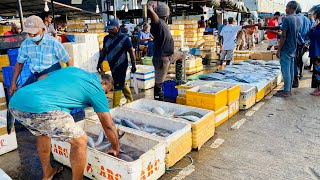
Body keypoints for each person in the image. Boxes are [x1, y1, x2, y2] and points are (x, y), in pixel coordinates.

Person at [9, 67, 119, 180]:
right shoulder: (96, 88)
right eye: (106, 91)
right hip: (43, 107)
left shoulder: (73, 70)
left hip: (16, 103)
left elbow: (42, 78)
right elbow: (108, 125)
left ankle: (48, 173)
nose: (104, 95)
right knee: (80, 140)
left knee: (43, 131)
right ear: (104, 82)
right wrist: (115, 147)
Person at [10, 15, 73, 95]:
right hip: (36, 74)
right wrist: (13, 83)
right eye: (29, 32)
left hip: (52, 74)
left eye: (34, 32)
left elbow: (68, 60)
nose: (31, 35)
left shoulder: (53, 42)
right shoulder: (26, 44)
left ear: (43, 30)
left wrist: (69, 79)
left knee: (43, 96)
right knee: (23, 94)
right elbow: (19, 64)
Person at [148, 2, 184, 101]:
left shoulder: (164, 24)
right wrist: (151, 9)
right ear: (165, 15)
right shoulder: (158, 24)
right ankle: (158, 99)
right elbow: (155, 20)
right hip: (162, 58)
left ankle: (179, 81)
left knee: (181, 55)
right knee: (159, 83)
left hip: (170, 54)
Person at [97, 19, 137, 107]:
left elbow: (131, 52)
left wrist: (134, 64)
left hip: (122, 65)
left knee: (117, 85)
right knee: (120, 82)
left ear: (117, 27)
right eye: (108, 29)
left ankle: (115, 107)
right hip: (112, 65)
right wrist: (99, 62)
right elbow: (104, 51)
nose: (109, 30)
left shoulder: (125, 38)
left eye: (111, 28)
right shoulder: (106, 38)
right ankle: (130, 99)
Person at [275, 1, 301, 97]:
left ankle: (286, 91)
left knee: (285, 69)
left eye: (286, 7)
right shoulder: (298, 19)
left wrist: (279, 50)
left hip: (286, 47)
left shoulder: (287, 19)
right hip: (293, 47)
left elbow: (284, 36)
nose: (285, 9)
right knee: (290, 69)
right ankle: (288, 88)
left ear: (289, 7)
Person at [293, 5, 311, 87]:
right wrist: (306, 43)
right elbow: (309, 32)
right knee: (302, 59)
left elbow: (297, 32)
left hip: (297, 42)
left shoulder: (295, 18)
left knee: (295, 60)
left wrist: (302, 41)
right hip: (305, 43)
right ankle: (301, 73)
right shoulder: (307, 19)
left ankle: (296, 78)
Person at [307, 10, 320, 95]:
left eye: (314, 14)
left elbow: (311, 36)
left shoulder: (318, 26)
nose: (313, 15)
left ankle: (319, 89)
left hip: (318, 52)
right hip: (317, 51)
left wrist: (313, 28)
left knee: (318, 71)